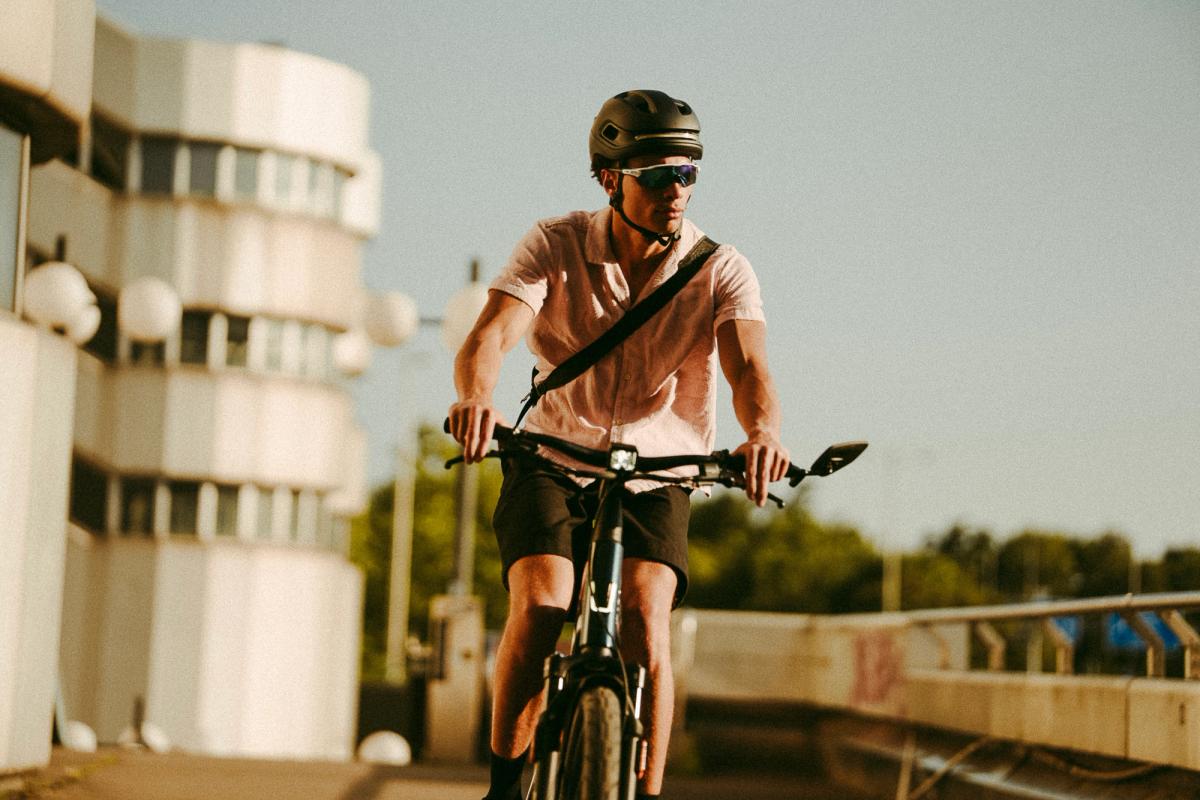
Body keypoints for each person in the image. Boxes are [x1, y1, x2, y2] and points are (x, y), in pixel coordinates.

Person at [448, 89, 789, 800]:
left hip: (659, 469)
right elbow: (492, 337)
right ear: (610, 178)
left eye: (688, 174)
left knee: (645, 622)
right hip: (552, 456)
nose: (676, 192)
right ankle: (505, 785)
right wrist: (478, 397)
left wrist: (763, 434)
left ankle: (647, 790)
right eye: (658, 175)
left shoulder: (721, 269)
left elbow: (748, 367)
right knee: (542, 604)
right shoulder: (555, 243)